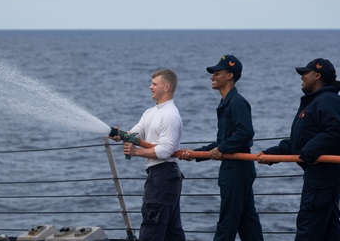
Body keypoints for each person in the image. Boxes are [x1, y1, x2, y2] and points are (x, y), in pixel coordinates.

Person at [179, 55, 263, 241]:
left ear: (229, 76)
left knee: (228, 221)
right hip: (236, 167)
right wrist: (195, 154)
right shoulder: (227, 102)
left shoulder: (237, 102)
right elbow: (222, 142)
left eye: (217, 73)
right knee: (247, 222)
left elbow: (245, 132)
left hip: (236, 168)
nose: (212, 76)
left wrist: (222, 148)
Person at [259, 58, 340, 241]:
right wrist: (273, 154)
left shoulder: (327, 100)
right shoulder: (316, 101)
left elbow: (337, 129)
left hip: (322, 177)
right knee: (330, 230)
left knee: (308, 227)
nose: (302, 76)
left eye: (306, 73)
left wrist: (310, 150)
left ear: (317, 76)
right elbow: (299, 142)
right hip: (320, 176)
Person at [111, 69, 185, 241]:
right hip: (164, 177)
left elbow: (166, 150)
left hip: (163, 175)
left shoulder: (170, 115)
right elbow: (136, 133)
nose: (150, 87)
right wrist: (119, 134)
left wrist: (137, 152)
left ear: (166, 87)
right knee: (172, 232)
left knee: (152, 228)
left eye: (154, 84)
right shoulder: (150, 113)